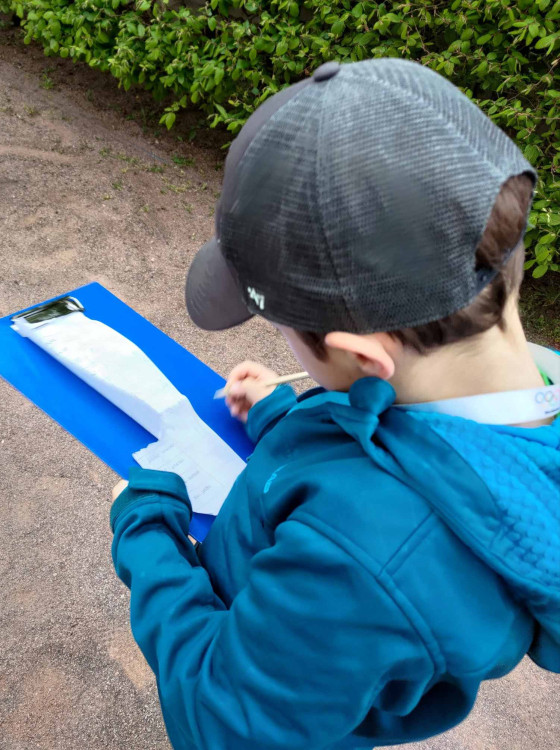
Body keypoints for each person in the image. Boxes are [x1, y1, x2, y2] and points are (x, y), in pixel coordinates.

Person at [110, 58, 560, 750]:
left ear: (365, 357)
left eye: (285, 331)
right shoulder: (504, 386)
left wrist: (146, 529)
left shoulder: (367, 559)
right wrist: (283, 414)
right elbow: (399, 436)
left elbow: (220, 720)